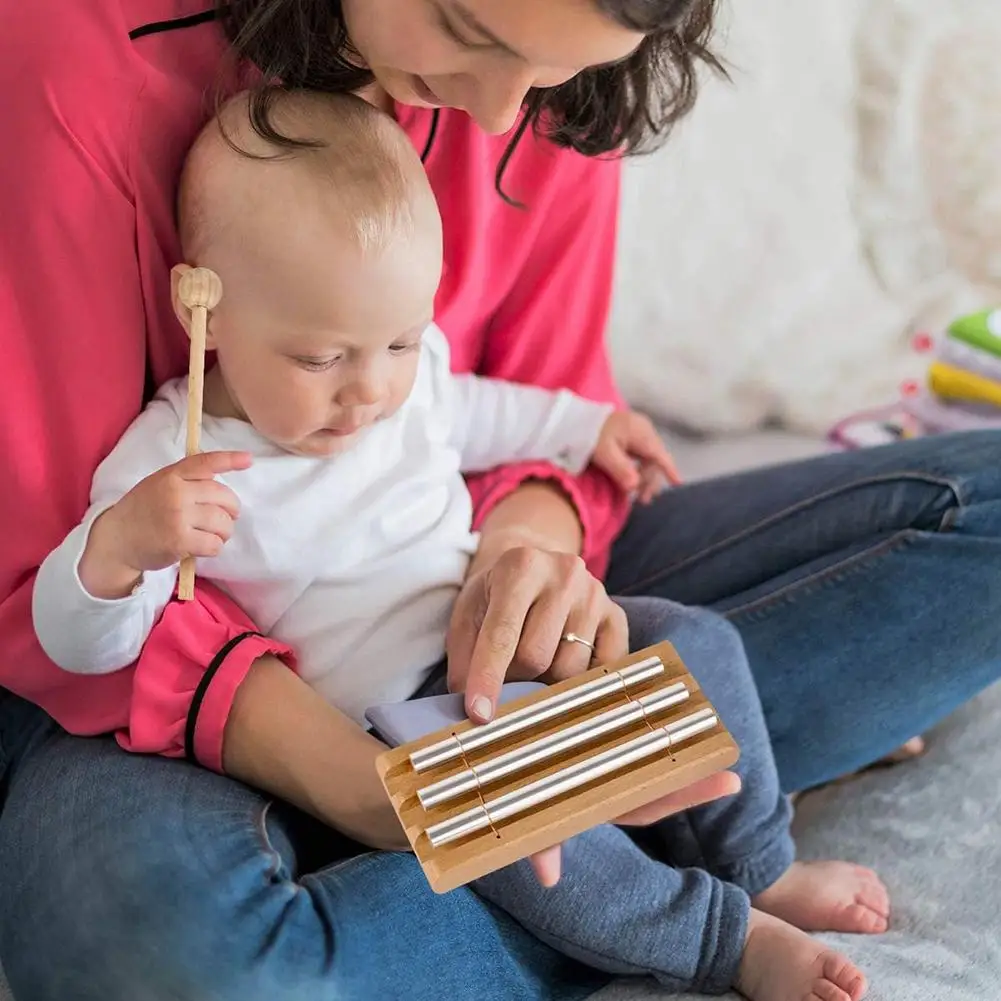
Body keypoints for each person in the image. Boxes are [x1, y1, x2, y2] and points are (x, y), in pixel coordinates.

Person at [2, 1, 1000, 1000]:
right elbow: (58, 589)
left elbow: (522, 400)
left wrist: (525, 561)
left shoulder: (554, 77)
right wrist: (357, 781)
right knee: (179, 966)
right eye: (466, 28)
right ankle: (655, 886)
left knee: (740, 628)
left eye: (549, 73)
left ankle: (664, 829)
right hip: (176, 696)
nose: (497, 118)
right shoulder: (67, 61)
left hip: (465, 616)